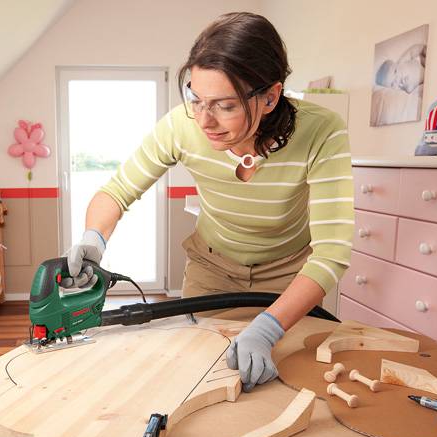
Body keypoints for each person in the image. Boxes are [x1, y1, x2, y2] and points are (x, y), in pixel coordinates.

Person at [63, 12, 353, 392]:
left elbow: (331, 252)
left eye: (224, 105)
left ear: (270, 96)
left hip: (290, 278)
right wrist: (93, 239)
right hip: (211, 272)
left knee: (289, 385)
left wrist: (268, 327)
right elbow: (116, 192)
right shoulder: (180, 126)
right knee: (202, 381)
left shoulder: (322, 130)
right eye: (196, 99)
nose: (204, 120)